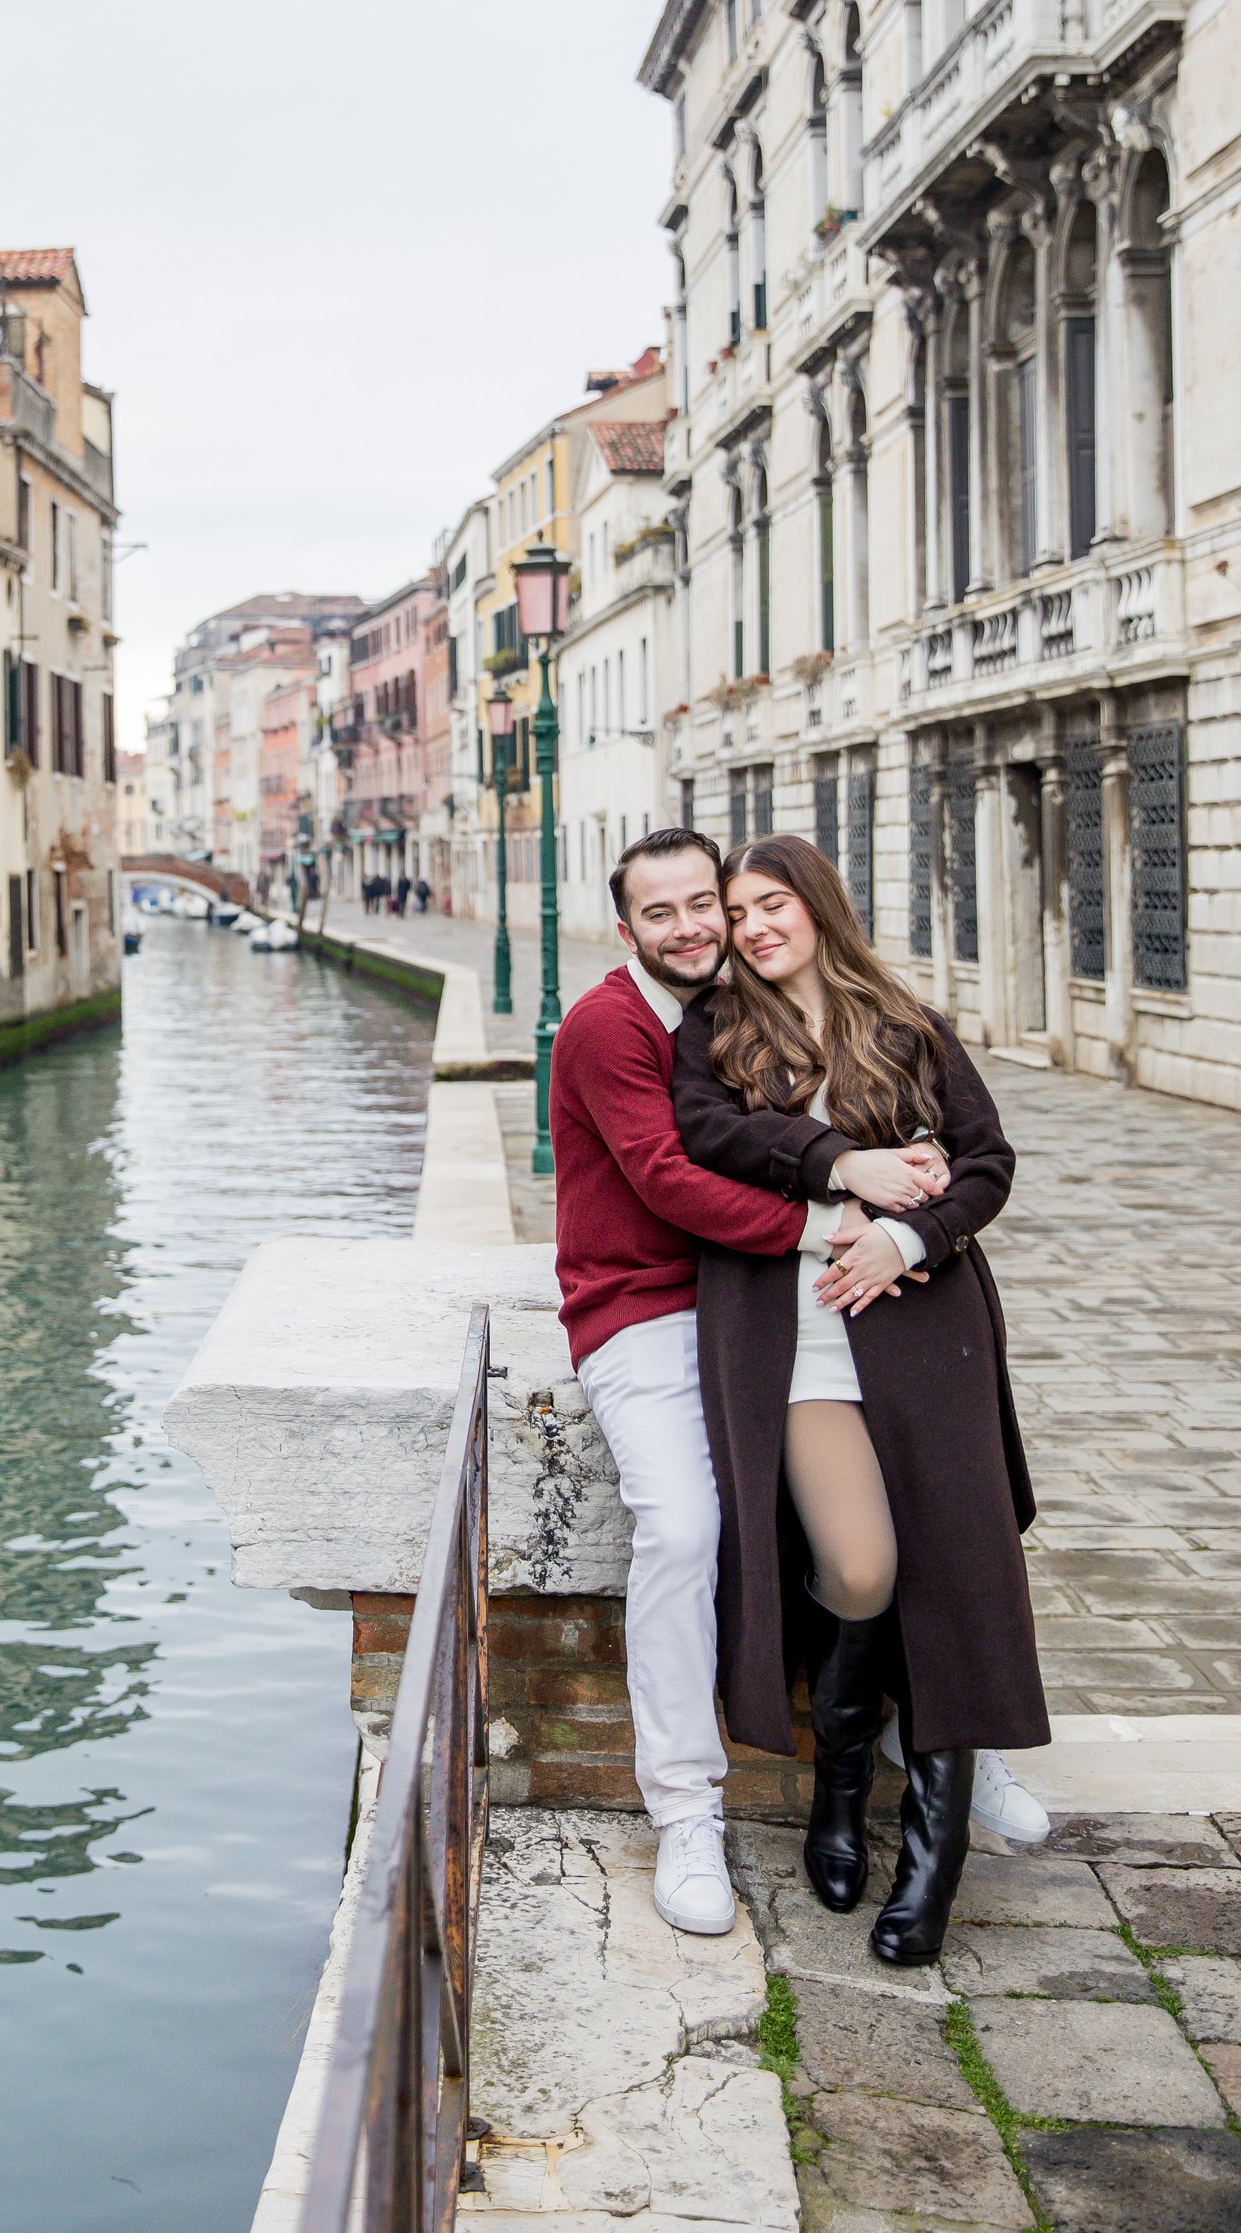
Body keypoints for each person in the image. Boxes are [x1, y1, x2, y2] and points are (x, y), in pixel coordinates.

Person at [671, 834, 1050, 1965]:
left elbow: (986, 1165)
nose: (752, 927)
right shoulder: (720, 1034)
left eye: (770, 904)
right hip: (797, 1344)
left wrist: (907, 1233)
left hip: (926, 1331)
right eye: (737, 914)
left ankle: (929, 1869)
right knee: (863, 1567)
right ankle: (841, 1779)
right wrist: (843, 1162)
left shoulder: (907, 1026)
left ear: (818, 905)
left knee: (959, 1578)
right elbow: (709, 1135)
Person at [549, 827, 857, 1934]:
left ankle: (939, 1742)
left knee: (895, 1465)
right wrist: (828, 1223)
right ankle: (685, 1807)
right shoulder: (605, 1025)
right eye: (662, 914)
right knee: (681, 1527)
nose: (689, 929)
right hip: (640, 1309)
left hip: (754, 1297)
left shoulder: (746, 1008)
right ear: (625, 928)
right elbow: (667, 1180)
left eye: (704, 907)